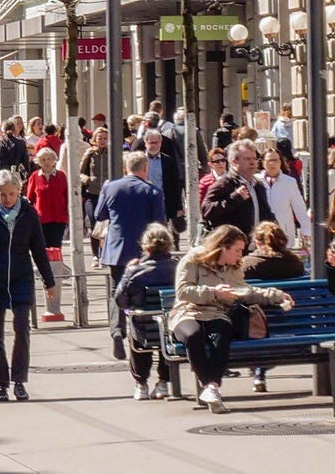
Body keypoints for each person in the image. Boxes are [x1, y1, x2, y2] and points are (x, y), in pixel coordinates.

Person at [167, 223, 295, 413]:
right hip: (187, 312)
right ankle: (209, 385)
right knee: (194, 335)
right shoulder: (193, 259)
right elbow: (183, 291)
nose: (240, 255)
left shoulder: (233, 267)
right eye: (237, 250)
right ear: (223, 246)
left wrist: (276, 295)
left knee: (223, 334)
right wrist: (214, 293)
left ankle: (211, 388)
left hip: (216, 313)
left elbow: (246, 292)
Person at [0, 170, 56, 401]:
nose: (8, 199)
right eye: (3, 194)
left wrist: (49, 281)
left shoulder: (28, 214)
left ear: (19, 192)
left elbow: (38, 249)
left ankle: (19, 380)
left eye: (12, 194)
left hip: (21, 279)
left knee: (22, 329)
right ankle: (1, 383)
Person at [96, 150, 168, 360]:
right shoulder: (153, 192)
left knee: (115, 291)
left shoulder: (110, 187)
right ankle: (142, 336)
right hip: (144, 251)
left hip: (116, 250)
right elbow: (159, 224)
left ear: (126, 168)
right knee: (143, 294)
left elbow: (99, 214)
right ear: (145, 169)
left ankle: (117, 331)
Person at [114, 224, 178, 400]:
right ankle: (164, 382)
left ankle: (141, 383)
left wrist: (127, 272)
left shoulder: (136, 271)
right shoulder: (178, 269)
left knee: (137, 327)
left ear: (145, 245)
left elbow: (120, 299)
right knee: (167, 335)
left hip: (144, 327)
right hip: (171, 325)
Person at [241, 220, 306, 393]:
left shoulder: (247, 264)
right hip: (293, 322)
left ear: (258, 242)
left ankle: (258, 372)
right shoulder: (295, 263)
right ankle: (259, 372)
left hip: (257, 324)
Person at [23, 146, 70, 320]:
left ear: (54, 160)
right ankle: (44, 272)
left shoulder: (61, 176)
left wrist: (67, 215)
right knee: (42, 249)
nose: (46, 162)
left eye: (49, 159)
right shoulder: (35, 177)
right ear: (39, 162)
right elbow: (30, 198)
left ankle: (55, 274)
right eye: (43, 160)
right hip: (41, 219)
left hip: (58, 218)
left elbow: (66, 196)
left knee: (55, 248)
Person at [200, 139, 268, 240]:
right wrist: (234, 198)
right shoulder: (224, 184)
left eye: (254, 159)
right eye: (247, 159)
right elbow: (207, 211)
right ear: (234, 162)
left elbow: (266, 214)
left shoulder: (258, 186)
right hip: (230, 246)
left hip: (255, 247)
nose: (252, 162)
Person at [255, 147, 312, 248]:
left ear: (281, 162)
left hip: (283, 233)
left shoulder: (289, 182)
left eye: (275, 160)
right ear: (263, 162)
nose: (272, 164)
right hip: (261, 233)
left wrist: (306, 230)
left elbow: (299, 208)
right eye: (269, 160)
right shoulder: (255, 181)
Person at [141, 128, 187, 232]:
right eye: (151, 143)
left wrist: (179, 207)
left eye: (156, 143)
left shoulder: (168, 160)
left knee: (161, 232)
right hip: (143, 202)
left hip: (162, 203)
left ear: (161, 143)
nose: (153, 145)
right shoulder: (139, 159)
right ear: (145, 143)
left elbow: (175, 185)